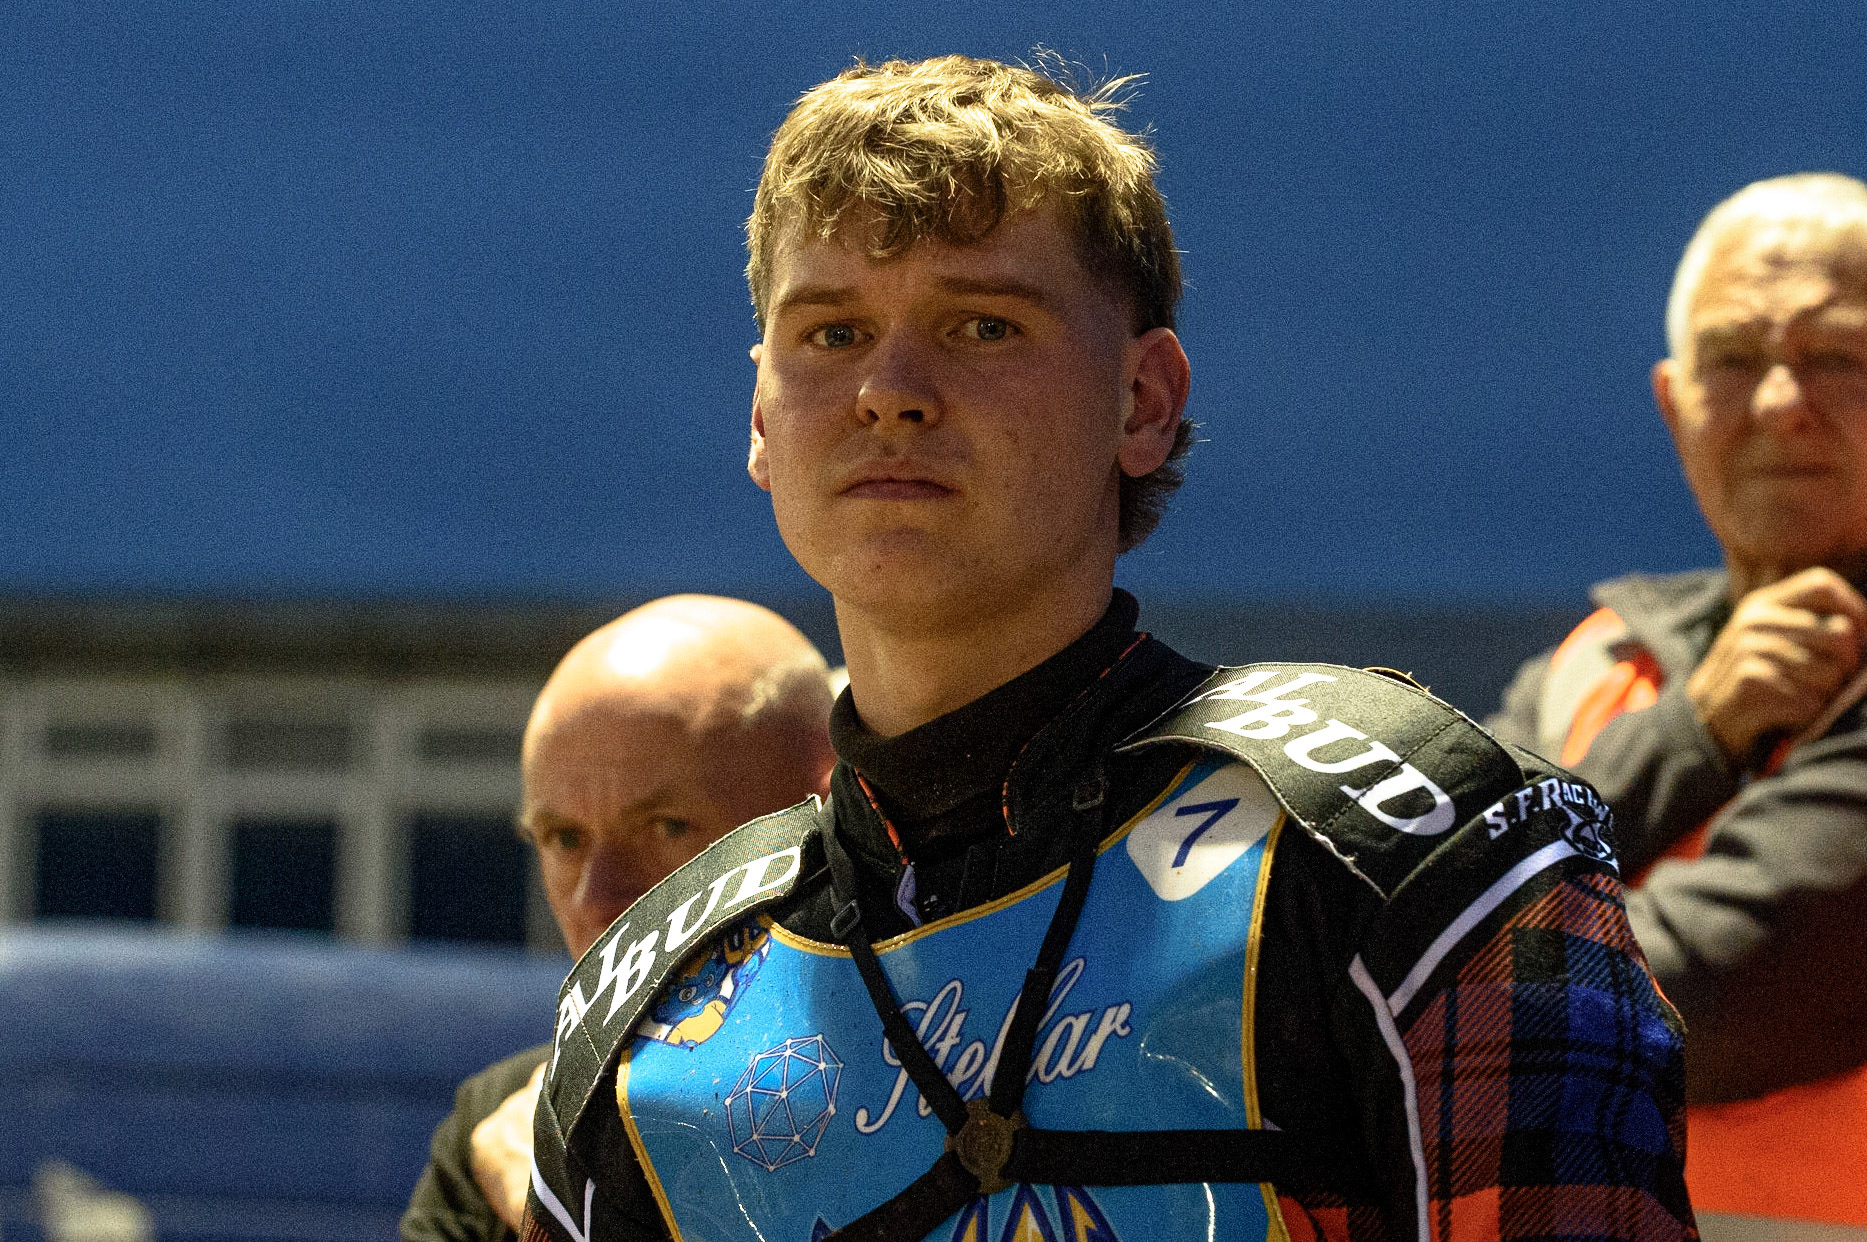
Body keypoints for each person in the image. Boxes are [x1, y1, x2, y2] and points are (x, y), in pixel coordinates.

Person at [528, 56, 1692, 1242]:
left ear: (1143, 401)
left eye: (981, 324)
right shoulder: (644, 1001)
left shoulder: (1404, 845)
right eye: (829, 332)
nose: (889, 390)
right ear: (763, 421)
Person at [1488, 173, 1867, 1235]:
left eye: (1836, 357)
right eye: (1735, 359)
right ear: (1673, 401)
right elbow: (1426, 903)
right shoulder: (1586, 661)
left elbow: (1713, 1000)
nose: (1782, 402)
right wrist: (1692, 733)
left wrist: (1433, 975)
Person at [400, 595, 837, 1242]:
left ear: (823, 824)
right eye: (563, 839)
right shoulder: (508, 1116)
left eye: (667, 828)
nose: (596, 900)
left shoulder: (910, 1094)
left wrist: (552, 1206)